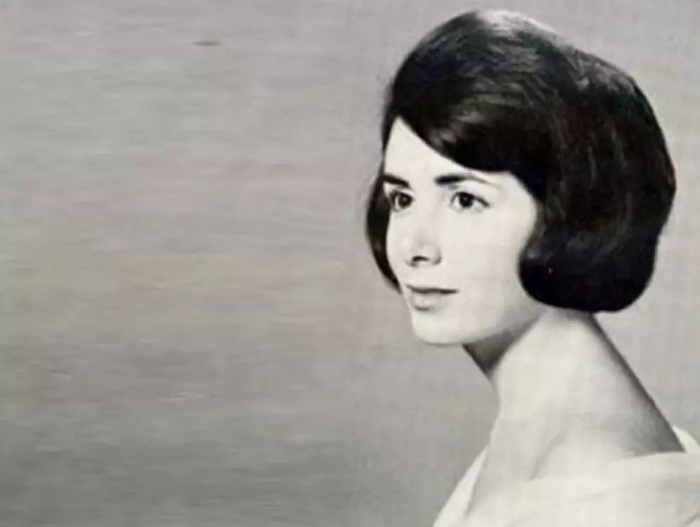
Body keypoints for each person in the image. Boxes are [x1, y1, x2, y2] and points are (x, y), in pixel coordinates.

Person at [364, 10, 700, 527]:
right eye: (403, 198)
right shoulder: (540, 422)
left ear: (568, 210)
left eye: (465, 200)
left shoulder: (598, 488)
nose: (414, 247)